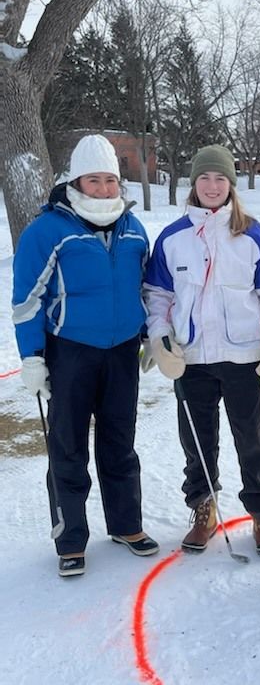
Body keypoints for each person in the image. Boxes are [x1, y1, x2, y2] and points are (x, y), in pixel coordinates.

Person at [12, 134, 159, 578]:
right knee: (68, 447)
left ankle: (126, 526)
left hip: (121, 352)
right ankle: (71, 538)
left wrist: (151, 335)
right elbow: (27, 299)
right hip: (70, 351)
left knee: (120, 440)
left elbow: (148, 288)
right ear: (76, 181)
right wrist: (33, 357)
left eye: (109, 179)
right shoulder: (48, 230)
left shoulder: (133, 229)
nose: (102, 188)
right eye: (93, 180)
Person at [143, 144, 260, 555]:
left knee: (254, 439)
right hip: (192, 360)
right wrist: (161, 338)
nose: (212, 185)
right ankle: (202, 508)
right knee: (197, 441)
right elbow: (157, 295)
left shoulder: (253, 234)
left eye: (220, 178)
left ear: (231, 184)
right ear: (193, 182)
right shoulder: (172, 238)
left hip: (244, 359)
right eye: (204, 177)